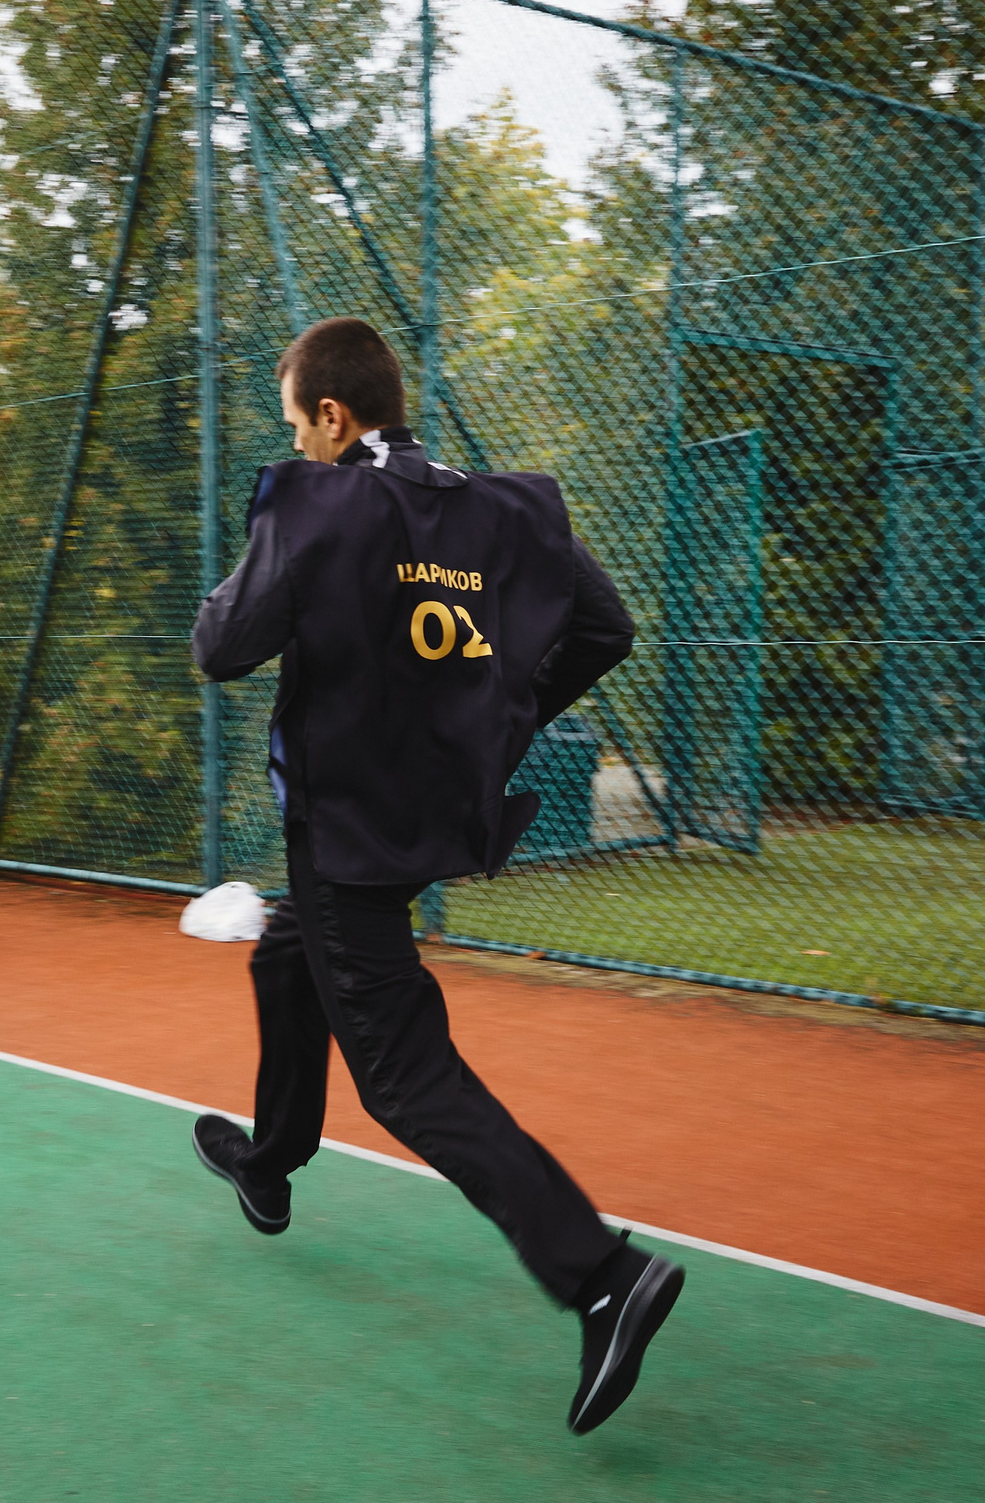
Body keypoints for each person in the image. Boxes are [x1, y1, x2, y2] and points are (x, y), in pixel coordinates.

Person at [187, 317, 676, 1437]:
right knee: (285, 953)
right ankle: (271, 1158)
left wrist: (266, 544)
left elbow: (221, 645)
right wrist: (490, 723)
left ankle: (600, 1276)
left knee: (405, 1077)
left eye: (295, 427)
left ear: (329, 415)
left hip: (346, 835)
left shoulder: (320, 506)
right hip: (412, 822)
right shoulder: (491, 510)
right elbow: (604, 628)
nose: (297, 448)